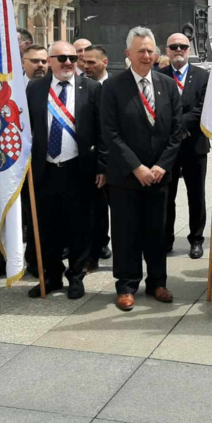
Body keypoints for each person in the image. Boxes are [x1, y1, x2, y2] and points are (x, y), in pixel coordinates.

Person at [100, 26, 181, 311]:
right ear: (128, 54)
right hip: (126, 176)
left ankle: (158, 282)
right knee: (126, 232)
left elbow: (176, 131)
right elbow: (110, 133)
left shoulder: (167, 84)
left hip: (159, 176)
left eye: (150, 51)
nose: (146, 56)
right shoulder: (112, 86)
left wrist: (160, 165)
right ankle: (126, 284)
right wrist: (137, 167)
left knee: (157, 231)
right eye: (140, 51)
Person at [25, 41, 106, 298]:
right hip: (44, 170)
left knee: (80, 227)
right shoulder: (34, 89)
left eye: (73, 57)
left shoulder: (91, 89)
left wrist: (102, 166)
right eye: (62, 58)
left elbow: (103, 131)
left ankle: (76, 275)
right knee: (47, 227)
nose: (69, 62)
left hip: (78, 169)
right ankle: (51, 276)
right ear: (50, 60)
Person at [0, 44, 49, 283]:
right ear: (23, 63)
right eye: (34, 61)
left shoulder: (51, 87)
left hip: (40, 164)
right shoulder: (7, 88)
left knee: (35, 215)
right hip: (9, 162)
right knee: (5, 211)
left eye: (43, 61)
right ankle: (1, 262)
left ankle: (34, 262)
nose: (40, 65)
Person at [160, 32, 209, 259]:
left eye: (183, 46)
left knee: (196, 195)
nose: (178, 50)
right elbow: (157, 109)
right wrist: (175, 129)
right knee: (166, 196)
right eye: (174, 46)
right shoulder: (158, 75)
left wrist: (179, 125)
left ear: (190, 50)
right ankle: (165, 239)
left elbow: (203, 108)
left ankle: (196, 239)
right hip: (167, 148)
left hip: (195, 145)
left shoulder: (202, 76)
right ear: (167, 50)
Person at [80, 44, 112, 271]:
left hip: (116, 159)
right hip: (90, 159)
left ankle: (106, 243)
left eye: (92, 62)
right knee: (92, 207)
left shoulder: (116, 86)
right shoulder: (79, 87)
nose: (85, 66)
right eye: (84, 61)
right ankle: (93, 249)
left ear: (105, 62)